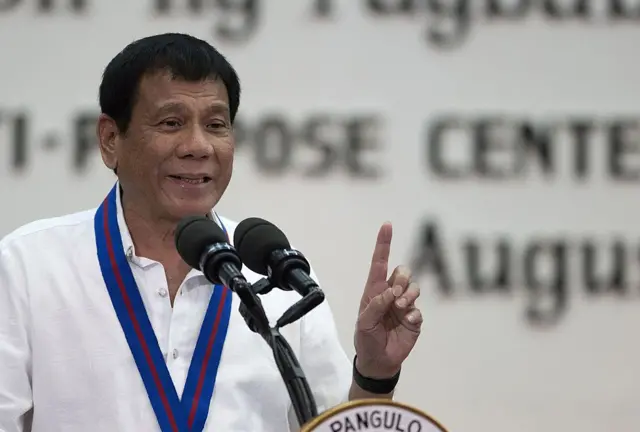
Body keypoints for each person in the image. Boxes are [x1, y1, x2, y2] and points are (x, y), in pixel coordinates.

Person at [0, 33, 423, 432]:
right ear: (111, 139)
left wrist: (374, 374)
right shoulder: (28, 267)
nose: (198, 146)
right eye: (171, 123)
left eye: (217, 125)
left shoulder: (278, 278)